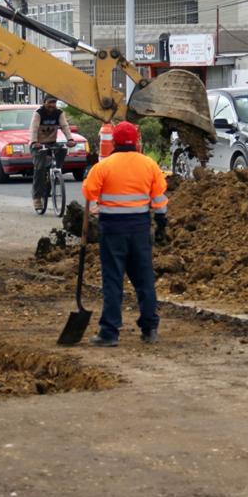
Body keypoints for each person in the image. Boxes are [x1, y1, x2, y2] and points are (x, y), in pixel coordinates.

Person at [82, 121, 168, 346]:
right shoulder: (149, 165)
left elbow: (89, 194)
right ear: (136, 141)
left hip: (112, 229)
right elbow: (159, 197)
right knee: (144, 280)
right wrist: (161, 222)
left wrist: (95, 214)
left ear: (114, 142)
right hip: (140, 228)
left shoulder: (103, 167)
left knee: (112, 280)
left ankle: (109, 332)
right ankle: (149, 328)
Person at [29, 95, 75, 212]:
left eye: (54, 103)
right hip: (38, 144)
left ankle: (55, 175)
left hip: (51, 143)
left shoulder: (59, 113)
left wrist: (70, 139)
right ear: (44, 102)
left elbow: (65, 126)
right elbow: (34, 128)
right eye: (50, 102)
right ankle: (37, 197)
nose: (52, 105)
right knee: (39, 169)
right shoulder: (38, 113)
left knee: (62, 150)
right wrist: (34, 141)